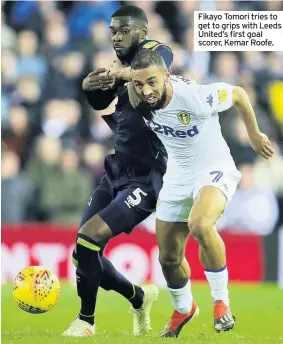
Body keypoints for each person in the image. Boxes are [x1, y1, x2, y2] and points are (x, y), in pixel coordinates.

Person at [129, 49, 274, 337]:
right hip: (178, 174)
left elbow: (239, 95)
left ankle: (221, 303)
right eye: (139, 84)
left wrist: (255, 134)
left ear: (167, 76)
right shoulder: (135, 96)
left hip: (214, 167)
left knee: (200, 224)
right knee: (168, 259)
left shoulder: (194, 97)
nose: (146, 91)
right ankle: (184, 309)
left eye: (152, 83)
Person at [63, 5, 173, 337]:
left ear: (141, 31)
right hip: (116, 170)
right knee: (82, 252)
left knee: (88, 238)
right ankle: (139, 296)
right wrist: (91, 87)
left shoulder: (153, 53)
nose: (116, 37)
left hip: (147, 177)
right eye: (112, 31)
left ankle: (86, 321)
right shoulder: (119, 68)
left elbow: (156, 63)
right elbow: (100, 104)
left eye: (123, 30)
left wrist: (119, 75)